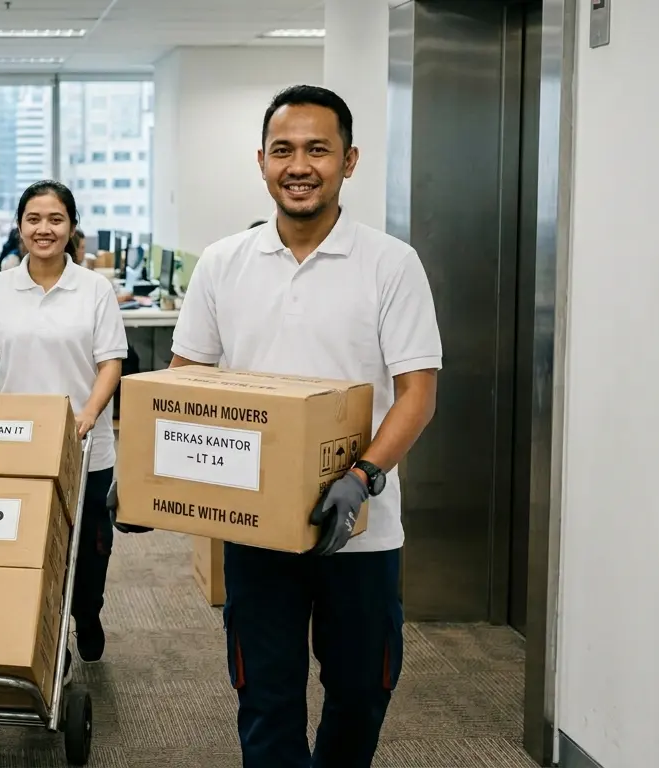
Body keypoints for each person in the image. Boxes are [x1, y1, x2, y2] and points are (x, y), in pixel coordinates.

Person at [168, 85, 442, 767]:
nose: (299, 165)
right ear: (261, 161)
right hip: (255, 528)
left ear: (348, 161)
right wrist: (157, 470)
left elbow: (417, 394)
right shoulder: (225, 263)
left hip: (360, 533)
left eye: (318, 149)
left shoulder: (391, 264)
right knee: (265, 696)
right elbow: (183, 382)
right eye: (284, 150)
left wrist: (364, 475)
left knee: (359, 692)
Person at [0, 180, 127, 667]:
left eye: (55, 219)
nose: (44, 229)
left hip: (84, 445)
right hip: (18, 446)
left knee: (90, 549)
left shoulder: (95, 289)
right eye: (34, 219)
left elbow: (111, 363)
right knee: (30, 545)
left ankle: (87, 611)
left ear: (71, 227)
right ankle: (49, 638)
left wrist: (90, 412)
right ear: (19, 227)